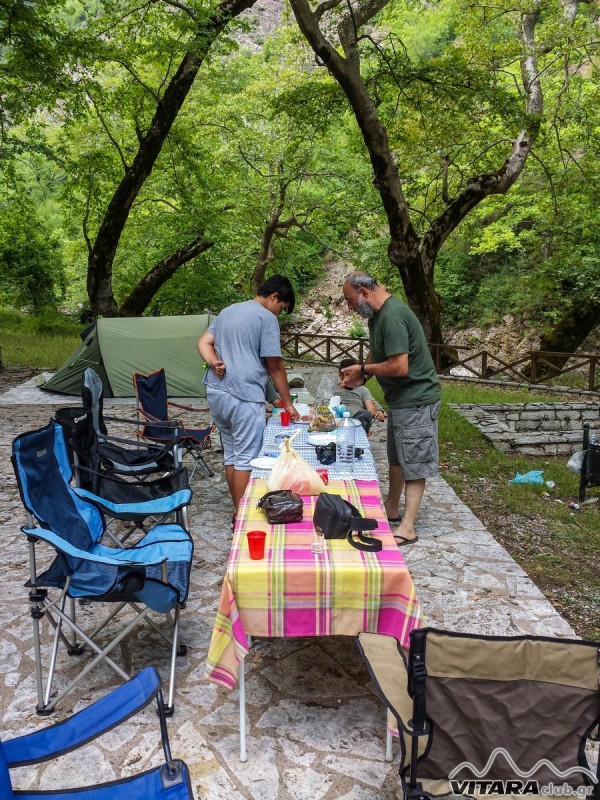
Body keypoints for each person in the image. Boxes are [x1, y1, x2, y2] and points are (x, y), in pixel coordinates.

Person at [339, 271, 441, 546]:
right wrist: (362, 377)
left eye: (349, 300)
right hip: (400, 400)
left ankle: (408, 527)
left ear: (363, 292)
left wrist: (362, 368)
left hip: (417, 399)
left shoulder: (393, 315)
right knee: (397, 457)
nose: (349, 307)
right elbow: (378, 353)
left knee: (414, 463)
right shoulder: (377, 315)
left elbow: (399, 366)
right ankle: (391, 507)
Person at [197, 275, 300, 515]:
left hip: (217, 393)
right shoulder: (266, 318)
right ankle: (245, 517)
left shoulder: (228, 311)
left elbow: (203, 342)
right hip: (243, 396)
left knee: (232, 456)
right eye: (281, 308)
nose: (279, 314)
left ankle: (237, 511)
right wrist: (288, 404)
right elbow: (275, 366)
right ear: (274, 297)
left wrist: (214, 362)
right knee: (245, 460)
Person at [337, 358, 385, 434]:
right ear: (340, 376)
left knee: (365, 414)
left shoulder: (362, 389)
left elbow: (371, 408)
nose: (352, 378)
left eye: (355, 375)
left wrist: (377, 413)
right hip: (337, 419)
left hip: (357, 419)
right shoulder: (332, 389)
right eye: (348, 375)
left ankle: (361, 429)